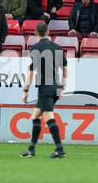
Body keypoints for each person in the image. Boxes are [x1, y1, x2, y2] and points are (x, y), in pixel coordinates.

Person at [21, 22, 68, 158]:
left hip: (45, 87)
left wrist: (25, 90)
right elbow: (65, 70)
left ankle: (59, 148)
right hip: (55, 86)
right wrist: (62, 87)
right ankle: (31, 149)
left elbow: (31, 72)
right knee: (35, 115)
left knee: (48, 117)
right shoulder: (57, 47)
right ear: (48, 32)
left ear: (36, 33)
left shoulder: (35, 48)